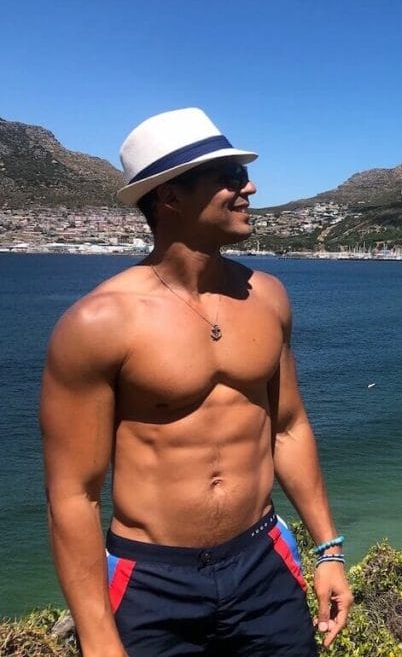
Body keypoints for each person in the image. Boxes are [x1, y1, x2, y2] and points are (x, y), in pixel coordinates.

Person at [40, 108, 352, 656]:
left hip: (262, 563)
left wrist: (328, 550)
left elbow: (287, 427)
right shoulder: (98, 323)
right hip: (152, 581)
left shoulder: (268, 297)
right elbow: (73, 494)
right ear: (170, 197)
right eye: (228, 177)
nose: (248, 186)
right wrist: (98, 640)